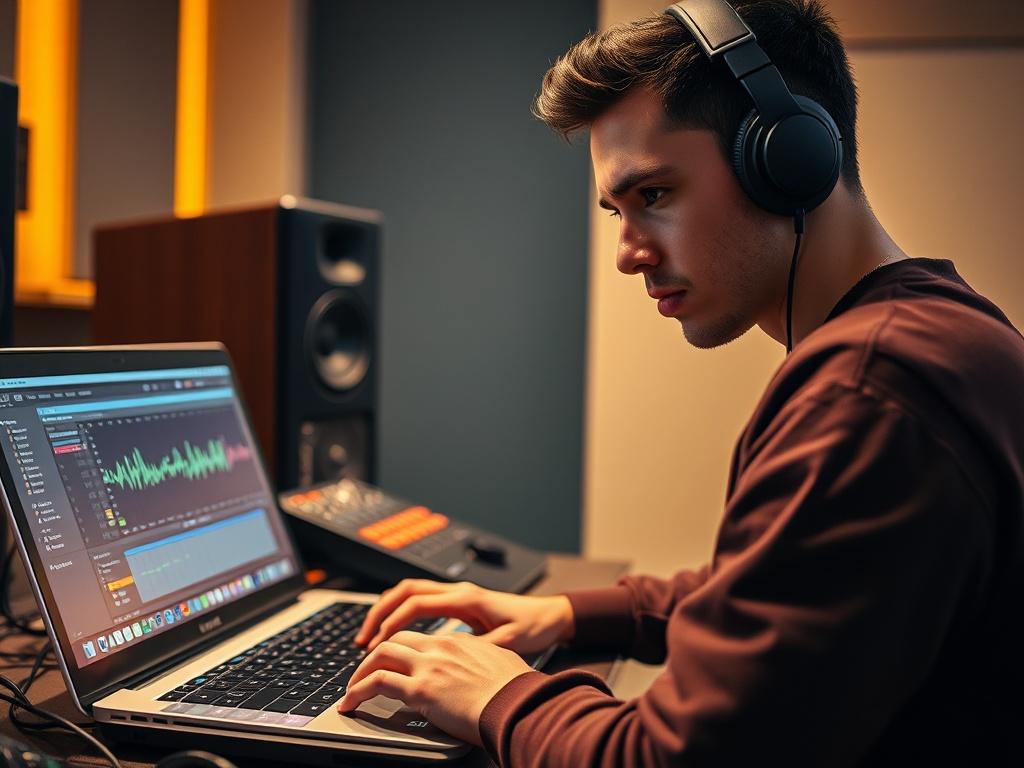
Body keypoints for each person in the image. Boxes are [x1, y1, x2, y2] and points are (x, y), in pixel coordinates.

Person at [336, 1, 1024, 765]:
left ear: (788, 162)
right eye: (617, 212)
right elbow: (781, 589)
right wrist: (568, 613)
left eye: (654, 195)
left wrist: (501, 694)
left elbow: (673, 758)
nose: (627, 254)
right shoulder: (933, 333)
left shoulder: (868, 394)